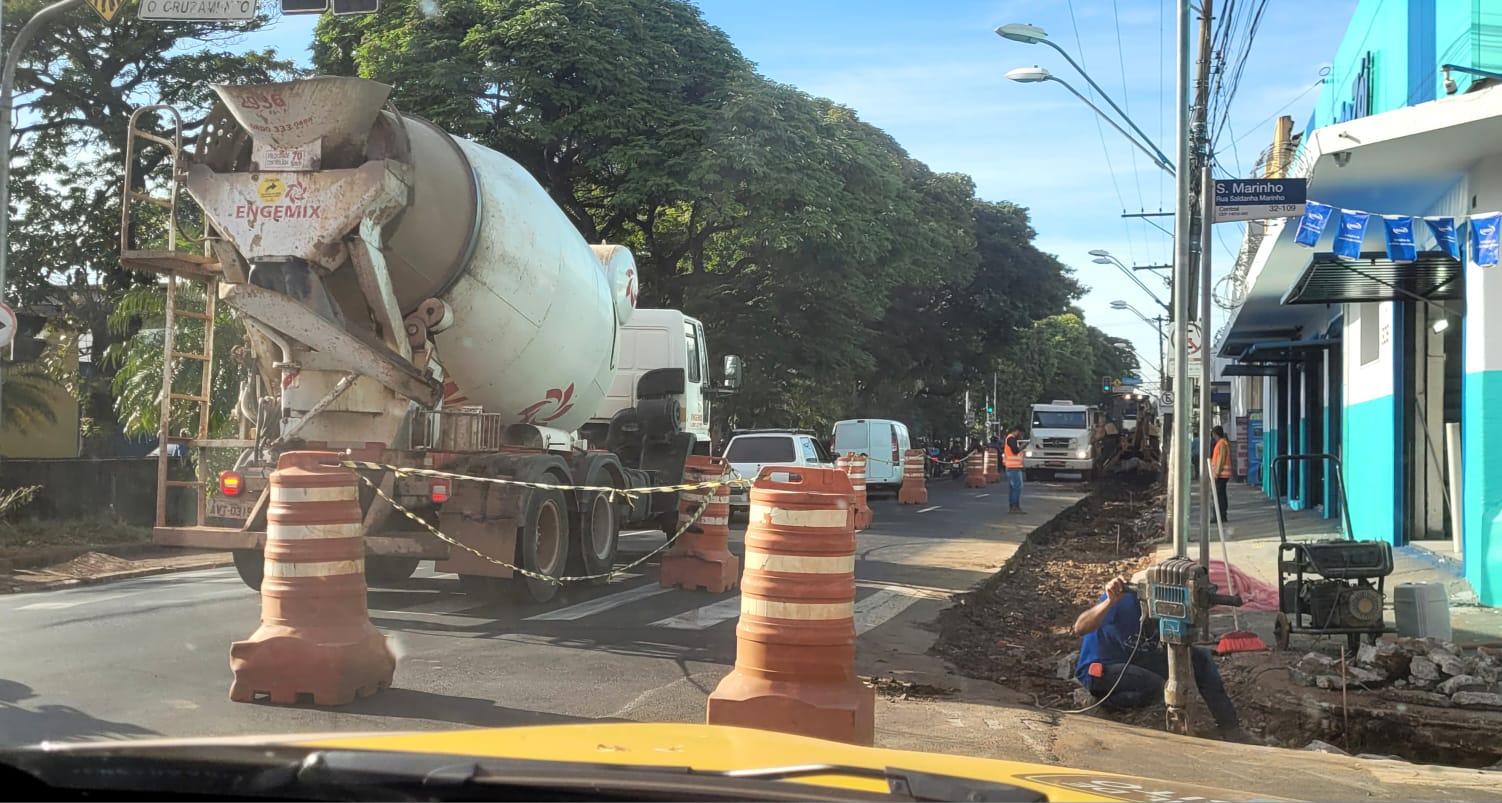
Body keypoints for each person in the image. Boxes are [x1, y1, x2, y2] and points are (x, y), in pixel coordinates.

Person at [1073, 575, 1245, 739]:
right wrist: (1109, 602)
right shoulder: (1122, 602)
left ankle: (1231, 730)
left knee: (1201, 659)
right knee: (1159, 687)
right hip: (1102, 668)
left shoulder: (1175, 609)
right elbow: (1080, 627)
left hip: (1136, 660)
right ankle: (1107, 702)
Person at [1210, 425, 1232, 522]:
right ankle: (1222, 515)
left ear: (1216, 434)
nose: (1213, 437)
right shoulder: (1222, 443)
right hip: (1223, 474)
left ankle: (1219, 516)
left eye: (1213, 435)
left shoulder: (1222, 443)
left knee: (1217, 496)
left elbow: (1221, 459)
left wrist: (1217, 473)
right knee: (1221, 495)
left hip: (1221, 474)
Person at [1003, 424, 1026, 513]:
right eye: (1021, 434)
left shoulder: (1012, 439)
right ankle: (1015, 507)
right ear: (1017, 431)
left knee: (1013, 488)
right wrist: (1023, 446)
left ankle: (1013, 507)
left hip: (1013, 467)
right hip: (1013, 468)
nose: (1021, 436)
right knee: (1017, 487)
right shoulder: (1011, 439)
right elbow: (1015, 451)